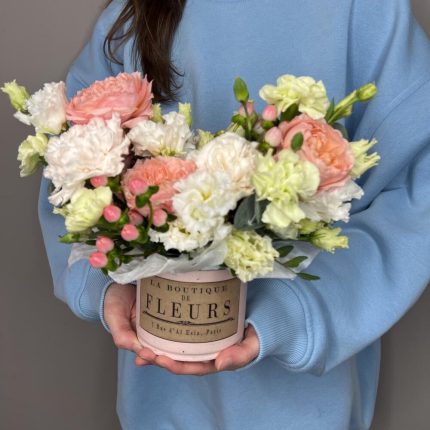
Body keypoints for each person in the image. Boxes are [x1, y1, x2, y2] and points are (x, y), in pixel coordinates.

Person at [38, 0, 430, 429]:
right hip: (159, 402)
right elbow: (68, 165)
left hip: (307, 411)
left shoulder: (365, 10)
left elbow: (417, 191)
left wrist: (298, 313)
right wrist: (107, 282)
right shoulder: (132, 14)